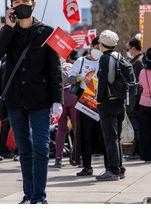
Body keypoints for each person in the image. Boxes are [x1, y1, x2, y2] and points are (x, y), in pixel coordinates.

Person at [0, 0, 63, 204]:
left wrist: (57, 100)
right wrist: (7, 28)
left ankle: (39, 196)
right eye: (16, 2)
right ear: (11, 7)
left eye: (25, 1)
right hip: (14, 100)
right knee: (24, 149)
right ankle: (28, 194)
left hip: (39, 99)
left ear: (33, 3)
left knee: (40, 147)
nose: (21, 5)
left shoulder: (46, 32)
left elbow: (54, 70)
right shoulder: (9, 32)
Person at [68, 37, 105, 176]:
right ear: (91, 47)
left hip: (101, 102)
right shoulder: (80, 61)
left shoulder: (104, 60)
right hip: (85, 102)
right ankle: (87, 166)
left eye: (101, 48)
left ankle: (109, 167)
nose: (98, 51)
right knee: (86, 135)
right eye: (96, 48)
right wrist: (81, 78)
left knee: (103, 134)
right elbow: (70, 78)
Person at [95, 30, 126, 181]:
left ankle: (112, 170)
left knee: (110, 138)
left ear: (101, 44)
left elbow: (102, 82)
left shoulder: (104, 59)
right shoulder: (119, 56)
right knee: (116, 138)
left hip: (108, 102)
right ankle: (120, 169)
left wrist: (98, 99)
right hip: (120, 101)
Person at [53, 50, 78, 168]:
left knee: (61, 130)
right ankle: (79, 157)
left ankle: (58, 158)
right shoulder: (72, 66)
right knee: (76, 128)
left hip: (60, 97)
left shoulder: (55, 68)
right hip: (73, 95)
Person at [125, 37, 144, 161]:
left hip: (136, 101)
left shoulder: (138, 62)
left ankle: (138, 151)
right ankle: (138, 151)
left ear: (133, 48)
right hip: (134, 100)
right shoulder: (136, 61)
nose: (128, 51)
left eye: (128, 49)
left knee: (137, 127)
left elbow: (137, 83)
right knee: (137, 127)